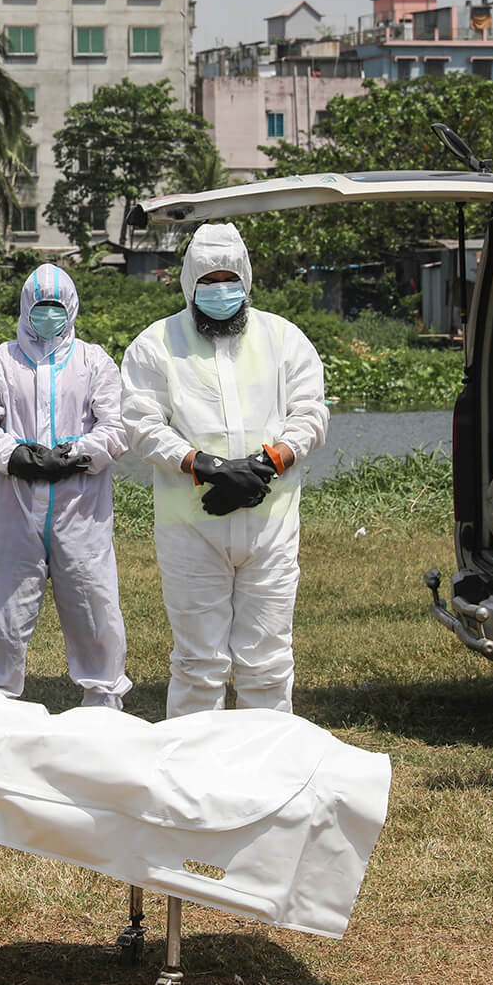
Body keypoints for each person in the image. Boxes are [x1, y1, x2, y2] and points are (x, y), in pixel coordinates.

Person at [121, 223, 328, 718]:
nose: (220, 291)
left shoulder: (284, 338)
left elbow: (311, 414)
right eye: (208, 281)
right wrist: (202, 465)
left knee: (268, 660)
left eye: (228, 279)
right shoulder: (157, 344)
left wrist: (268, 462)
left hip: (271, 525)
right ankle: (195, 776)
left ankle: (266, 769)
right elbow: (141, 422)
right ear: (189, 283)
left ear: (247, 279)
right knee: (198, 661)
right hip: (191, 527)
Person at [0, 265, 131, 708]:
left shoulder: (94, 362)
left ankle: (103, 694)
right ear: (25, 309)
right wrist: (15, 456)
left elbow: (116, 427)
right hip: (17, 507)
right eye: (41, 308)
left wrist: (76, 453)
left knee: (94, 601)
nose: (48, 316)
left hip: (81, 507)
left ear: (70, 308)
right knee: (6, 606)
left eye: (56, 307)